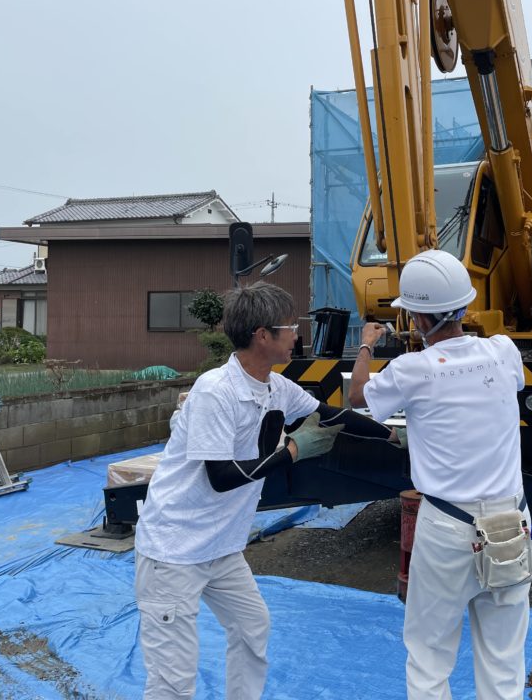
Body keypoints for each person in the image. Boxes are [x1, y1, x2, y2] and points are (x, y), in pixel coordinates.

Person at [134, 281, 396, 699]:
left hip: (220, 547)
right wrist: (293, 450)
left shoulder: (275, 386)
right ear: (262, 335)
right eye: (290, 327)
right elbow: (222, 477)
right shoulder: (215, 391)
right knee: (173, 679)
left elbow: (329, 415)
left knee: (252, 626)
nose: (297, 335)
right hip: (175, 550)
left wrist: (389, 434)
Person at [348, 249, 532, 700]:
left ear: (414, 318)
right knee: (504, 658)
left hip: (449, 527)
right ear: (464, 306)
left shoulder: (411, 369)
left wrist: (367, 343)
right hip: (513, 523)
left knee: (430, 654)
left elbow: (356, 398)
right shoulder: (503, 351)